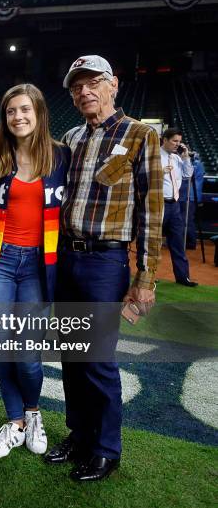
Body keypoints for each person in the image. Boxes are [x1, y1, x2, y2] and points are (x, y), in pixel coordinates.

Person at [45, 55, 163, 481]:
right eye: (77, 86)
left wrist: (146, 277)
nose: (84, 91)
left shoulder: (140, 135)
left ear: (113, 85)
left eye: (93, 82)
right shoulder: (70, 137)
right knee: (73, 356)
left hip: (105, 260)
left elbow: (152, 212)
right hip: (66, 256)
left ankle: (106, 449)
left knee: (97, 359)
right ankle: (79, 435)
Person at [0, 84, 69, 458]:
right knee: (5, 349)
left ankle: (33, 413)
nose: (18, 116)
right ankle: (14, 421)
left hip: (38, 264)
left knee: (28, 354)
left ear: (39, 113)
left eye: (25, 110)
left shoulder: (62, 157)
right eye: (11, 110)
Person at [159, 128, 196, 286]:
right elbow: (143, 177)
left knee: (178, 243)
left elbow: (188, 175)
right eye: (174, 141)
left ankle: (183, 278)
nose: (177, 144)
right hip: (158, 204)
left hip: (174, 206)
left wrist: (186, 157)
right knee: (151, 244)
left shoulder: (177, 158)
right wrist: (159, 172)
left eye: (179, 141)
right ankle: (146, 279)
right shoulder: (154, 156)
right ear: (164, 139)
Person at [179, 153, 204, 250]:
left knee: (187, 220)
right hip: (188, 195)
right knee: (186, 219)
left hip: (189, 196)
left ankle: (189, 242)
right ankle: (187, 241)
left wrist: (186, 159)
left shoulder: (195, 163)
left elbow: (188, 175)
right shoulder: (197, 162)